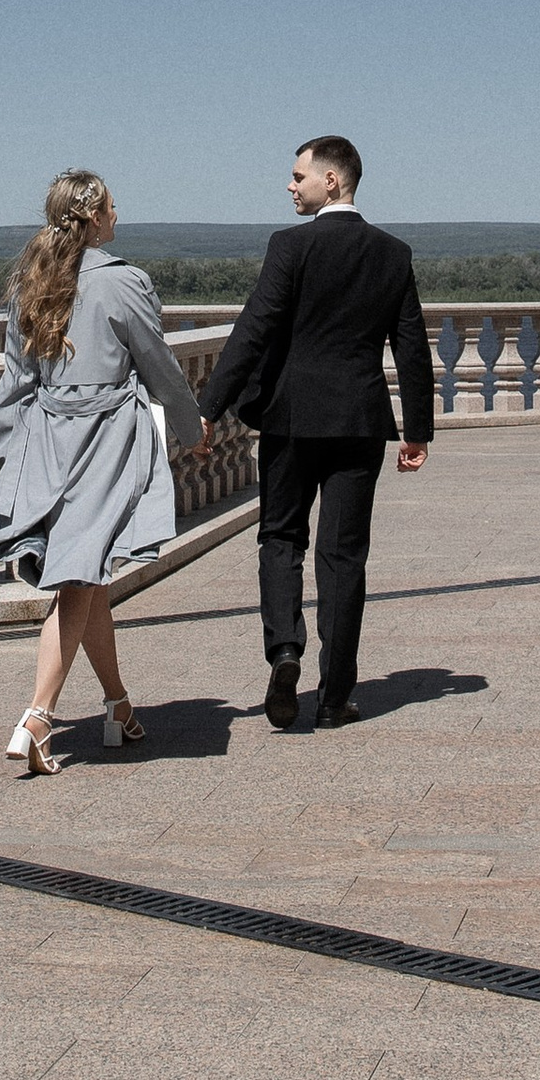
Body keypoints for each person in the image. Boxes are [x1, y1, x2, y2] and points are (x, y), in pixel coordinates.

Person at [0, 168, 209, 776]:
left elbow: (14, 383)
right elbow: (159, 366)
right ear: (94, 219)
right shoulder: (125, 284)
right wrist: (192, 430)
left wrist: (0, 458)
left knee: (85, 576)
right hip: (104, 443)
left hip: (46, 441)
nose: (118, 217)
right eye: (112, 209)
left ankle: (118, 708)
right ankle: (38, 717)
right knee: (77, 575)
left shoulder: (33, 282)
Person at [197, 134, 432, 732]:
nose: (289, 184)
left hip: (291, 418)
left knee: (280, 538)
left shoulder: (291, 246)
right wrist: (417, 430)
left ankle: (284, 653)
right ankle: (334, 695)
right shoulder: (392, 253)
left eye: (298, 175)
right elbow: (410, 349)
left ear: (332, 180)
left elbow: (254, 328)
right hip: (358, 422)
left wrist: (207, 406)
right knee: (344, 555)